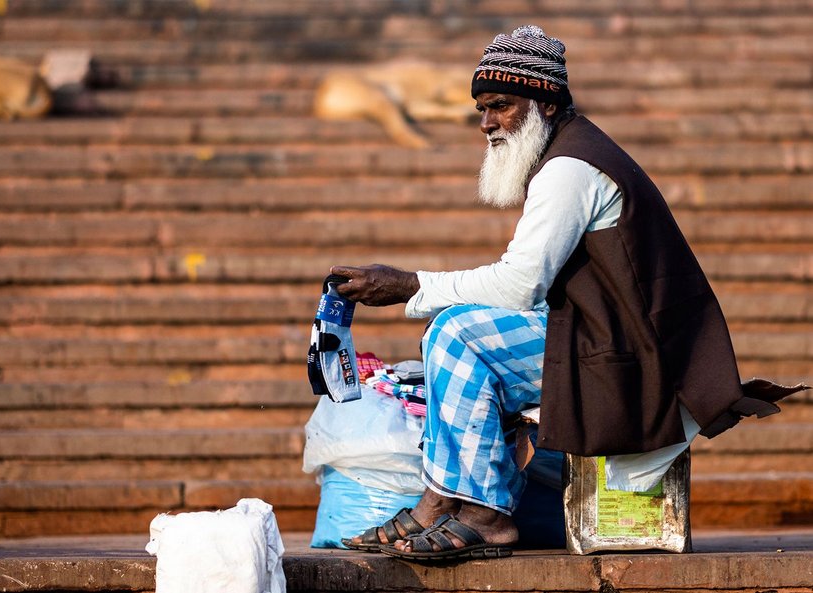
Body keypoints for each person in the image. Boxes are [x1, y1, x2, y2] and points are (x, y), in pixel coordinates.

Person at [330, 25, 778, 562]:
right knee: (458, 328)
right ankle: (440, 502)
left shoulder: (569, 169)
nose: (486, 123)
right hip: (610, 343)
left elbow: (520, 284)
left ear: (543, 103)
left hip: (635, 363)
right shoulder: (569, 153)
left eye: (501, 107)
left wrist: (411, 284)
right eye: (481, 109)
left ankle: (482, 515)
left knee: (458, 333)